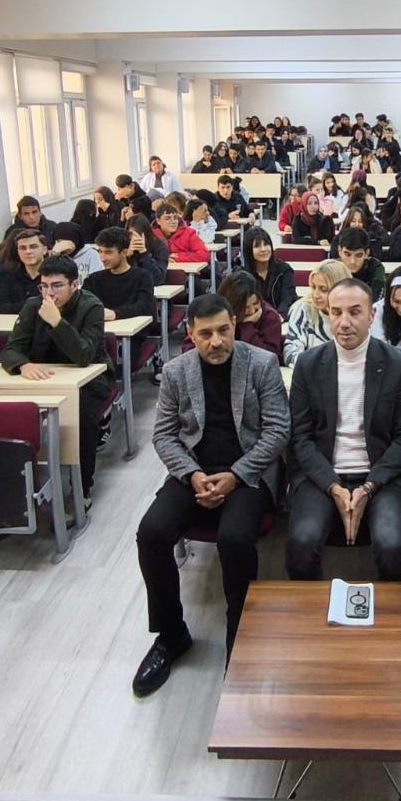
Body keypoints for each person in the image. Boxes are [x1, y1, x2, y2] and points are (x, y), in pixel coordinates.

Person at [132, 294, 290, 697]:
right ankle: (171, 634)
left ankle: (241, 633)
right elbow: (164, 435)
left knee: (234, 539)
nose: (216, 341)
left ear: (234, 326)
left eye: (223, 330)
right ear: (190, 334)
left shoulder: (262, 364)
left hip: (249, 473)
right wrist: (193, 475)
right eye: (205, 334)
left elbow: (277, 430)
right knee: (151, 532)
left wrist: (235, 475)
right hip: (194, 471)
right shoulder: (176, 371)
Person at [285, 277, 401, 582]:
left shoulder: (396, 362)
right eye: (336, 312)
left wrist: (368, 487)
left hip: (382, 475)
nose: (344, 322)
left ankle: (392, 611)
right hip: (321, 473)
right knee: (301, 544)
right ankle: (312, 610)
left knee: (392, 546)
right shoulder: (308, 364)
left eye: (355, 312)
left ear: (372, 315)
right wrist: (333, 487)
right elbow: (301, 438)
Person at [0, 255, 113, 501]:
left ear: (75, 285)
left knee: (82, 418)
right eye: (44, 286)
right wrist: (23, 364)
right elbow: (10, 350)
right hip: (45, 377)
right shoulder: (33, 306)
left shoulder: (91, 306)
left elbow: (84, 356)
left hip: (90, 379)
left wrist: (57, 322)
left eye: (57, 286)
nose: (49, 293)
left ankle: (82, 489)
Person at [84, 226, 155, 326]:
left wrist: (115, 314)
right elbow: (84, 306)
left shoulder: (143, 277)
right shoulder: (93, 279)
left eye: (108, 252)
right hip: (100, 331)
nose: (102, 258)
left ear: (124, 253)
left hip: (133, 330)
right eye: (100, 251)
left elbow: (144, 307)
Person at [281, 258, 347, 365]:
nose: (316, 295)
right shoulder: (303, 309)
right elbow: (290, 354)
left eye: (323, 289)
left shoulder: (354, 314)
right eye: (313, 287)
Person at [218, 270, 284, 359]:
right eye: (246, 307)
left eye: (256, 303)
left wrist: (247, 326)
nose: (252, 311)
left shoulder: (270, 316)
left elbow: (270, 356)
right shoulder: (220, 314)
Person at [0, 228, 49, 315]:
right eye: (22, 248)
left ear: (44, 250)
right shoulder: (9, 275)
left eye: (33, 247)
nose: (28, 251)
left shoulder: (54, 275)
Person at [240, 227, 298, 318]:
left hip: (280, 319)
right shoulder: (242, 275)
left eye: (266, 244)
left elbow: (288, 298)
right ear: (248, 250)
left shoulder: (283, 270)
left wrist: (279, 315)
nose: (263, 249)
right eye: (257, 246)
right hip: (253, 319)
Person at [335, 226, 387, 301]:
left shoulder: (376, 268)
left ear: (367, 253)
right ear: (339, 251)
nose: (352, 261)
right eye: (347, 254)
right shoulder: (333, 269)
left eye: (358, 255)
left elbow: (377, 301)